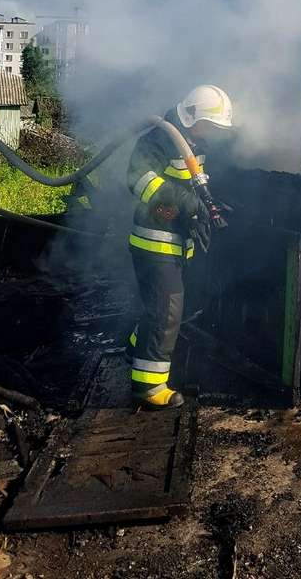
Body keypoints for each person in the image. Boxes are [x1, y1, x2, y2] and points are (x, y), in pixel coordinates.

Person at [126, 84, 233, 409]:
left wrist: (207, 207)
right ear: (191, 117)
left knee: (164, 308)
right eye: (210, 125)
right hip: (154, 242)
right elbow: (138, 179)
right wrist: (186, 205)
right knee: (167, 311)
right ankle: (149, 386)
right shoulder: (159, 139)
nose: (213, 132)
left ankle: (138, 345)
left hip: (175, 244)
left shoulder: (196, 142)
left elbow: (196, 183)